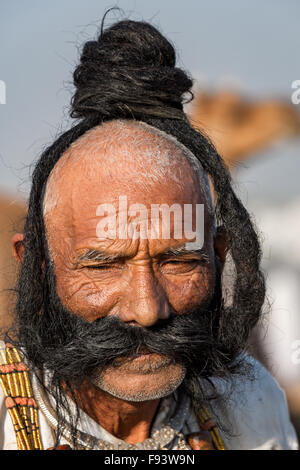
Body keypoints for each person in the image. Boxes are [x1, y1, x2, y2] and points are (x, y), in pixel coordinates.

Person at [0, 15, 297, 451]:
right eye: (103, 265)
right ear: (38, 266)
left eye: (178, 261)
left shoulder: (249, 403)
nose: (146, 310)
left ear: (217, 256)